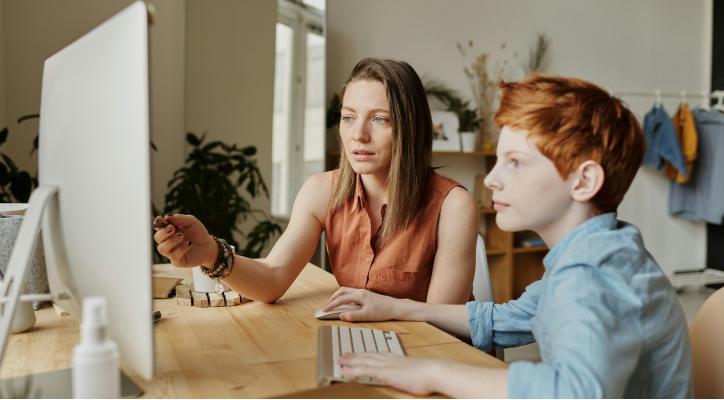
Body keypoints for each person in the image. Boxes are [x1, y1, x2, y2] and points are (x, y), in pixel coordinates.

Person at [321, 75, 692, 398]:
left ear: (584, 181)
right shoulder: (600, 251)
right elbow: (507, 319)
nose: (491, 179)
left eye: (515, 162)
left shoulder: (592, 275)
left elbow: (572, 392)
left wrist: (432, 372)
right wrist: (397, 308)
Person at [153, 58, 478, 304]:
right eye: (349, 117)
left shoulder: (453, 205)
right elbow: (273, 278)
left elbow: (442, 325)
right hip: (366, 347)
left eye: (380, 119)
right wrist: (211, 252)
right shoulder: (321, 191)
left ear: (410, 127)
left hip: (431, 360)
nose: (358, 135)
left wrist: (380, 310)